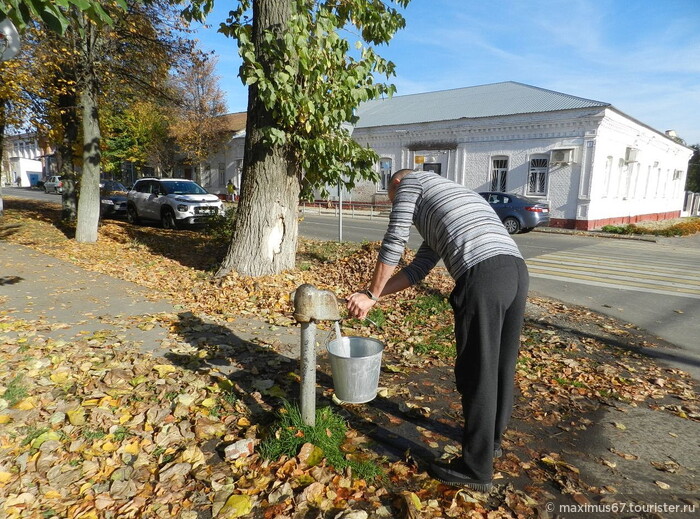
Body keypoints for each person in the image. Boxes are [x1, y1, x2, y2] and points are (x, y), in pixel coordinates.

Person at [346, 169, 529, 491]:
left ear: (397, 185)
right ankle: (491, 443)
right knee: (501, 365)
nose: (397, 204)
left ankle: (476, 469)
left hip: (484, 275)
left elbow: (394, 240)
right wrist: (373, 296)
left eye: (392, 198)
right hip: (514, 270)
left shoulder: (410, 183)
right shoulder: (452, 199)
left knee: (478, 371)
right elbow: (417, 270)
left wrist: (371, 293)